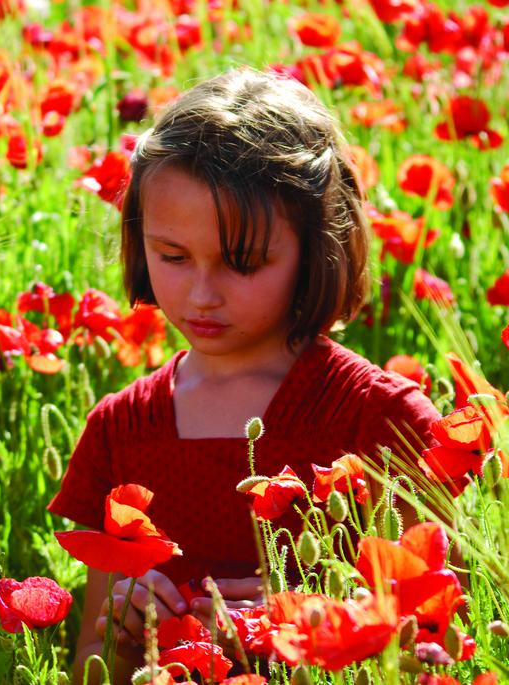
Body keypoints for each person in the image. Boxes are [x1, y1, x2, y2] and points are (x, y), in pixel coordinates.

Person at [47, 67, 442, 685]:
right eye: (173, 257)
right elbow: (91, 674)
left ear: (317, 249)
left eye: (243, 263)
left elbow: (448, 642)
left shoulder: (380, 420)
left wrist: (312, 626)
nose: (202, 294)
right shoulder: (120, 431)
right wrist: (126, 640)